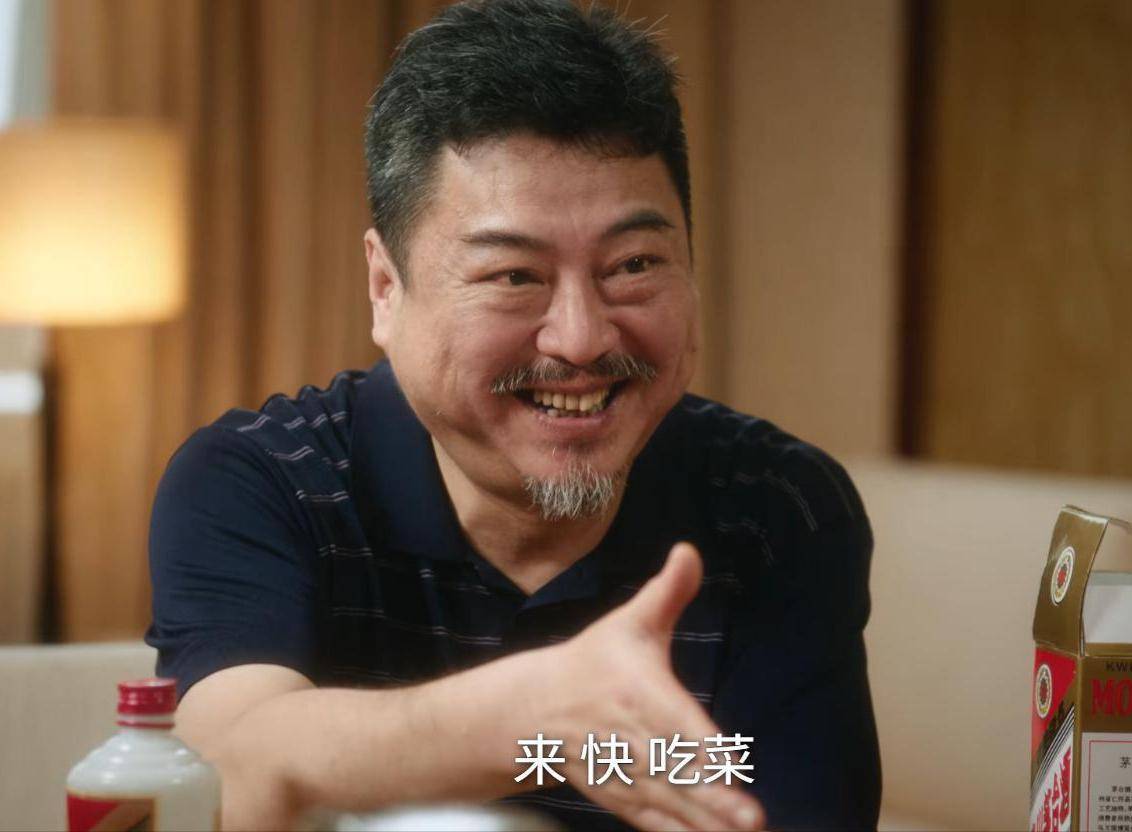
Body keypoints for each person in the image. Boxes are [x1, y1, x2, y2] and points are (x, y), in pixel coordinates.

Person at [146, 0, 880, 829]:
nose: (581, 338)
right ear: (385, 288)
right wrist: (535, 713)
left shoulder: (779, 505)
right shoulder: (262, 480)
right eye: (513, 276)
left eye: (634, 264)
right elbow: (227, 772)